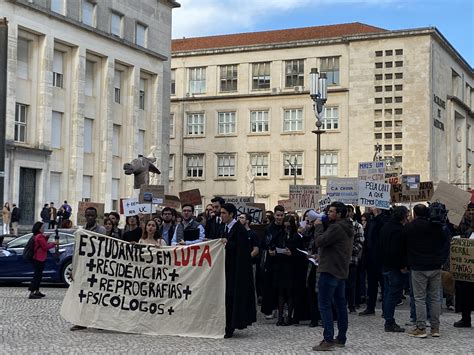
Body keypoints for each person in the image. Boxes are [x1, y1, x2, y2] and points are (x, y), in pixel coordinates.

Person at [312, 202, 354, 351]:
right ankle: (341, 337)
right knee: (340, 305)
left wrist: (317, 227)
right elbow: (334, 247)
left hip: (330, 270)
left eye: (332, 212)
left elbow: (320, 241)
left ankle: (328, 339)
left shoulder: (336, 227)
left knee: (324, 304)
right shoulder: (347, 226)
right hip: (340, 270)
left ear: (340, 214)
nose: (328, 214)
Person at [404, 204, 446, 338]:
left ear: (414, 213)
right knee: (435, 298)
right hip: (435, 265)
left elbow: (404, 244)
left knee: (419, 298)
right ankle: (435, 328)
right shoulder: (436, 226)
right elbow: (444, 241)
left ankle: (421, 327)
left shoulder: (410, 227)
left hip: (418, 266)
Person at [221, 203, 256, 338]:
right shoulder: (227, 228)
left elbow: (242, 250)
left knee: (232, 298)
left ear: (231, 214)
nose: (222, 216)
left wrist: (228, 243)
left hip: (236, 271)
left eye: (224, 213)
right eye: (221, 213)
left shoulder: (239, 229)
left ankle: (231, 326)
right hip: (228, 270)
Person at [379, 206, 409, 332]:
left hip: (385, 265)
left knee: (387, 293)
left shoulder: (386, 227)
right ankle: (389, 321)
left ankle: (387, 317)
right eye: (406, 215)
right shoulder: (398, 230)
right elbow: (396, 251)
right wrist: (402, 266)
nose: (407, 218)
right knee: (392, 295)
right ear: (402, 216)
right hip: (394, 268)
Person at [359, 208, 389, 316]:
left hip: (380, 258)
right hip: (370, 258)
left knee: (384, 285)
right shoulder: (371, 221)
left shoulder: (384, 219)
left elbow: (382, 226)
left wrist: (377, 214)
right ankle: (370, 307)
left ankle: (386, 309)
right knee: (371, 285)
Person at [261, 205, 285, 319]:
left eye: (281, 215)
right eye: (278, 215)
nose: (279, 217)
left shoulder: (286, 227)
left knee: (281, 286)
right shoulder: (269, 228)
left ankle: (281, 309)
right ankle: (270, 309)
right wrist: (270, 248)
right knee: (270, 285)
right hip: (271, 260)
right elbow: (265, 242)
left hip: (284, 260)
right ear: (274, 215)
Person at [454, 202, 474, 328]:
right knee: (465, 294)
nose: (471, 213)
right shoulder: (461, 225)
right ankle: (465, 319)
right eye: (469, 211)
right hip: (466, 267)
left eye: (473, 211)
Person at [28, 221, 59, 299]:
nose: (44, 228)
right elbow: (45, 247)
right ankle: (32, 292)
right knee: (37, 276)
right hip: (38, 258)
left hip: (39, 258)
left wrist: (47, 237)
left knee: (39, 275)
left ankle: (37, 291)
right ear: (39, 228)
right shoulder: (39, 236)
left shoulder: (39, 236)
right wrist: (54, 243)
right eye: (42, 227)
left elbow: (42, 244)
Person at [346, 205, 364, 314]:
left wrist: (349, 249)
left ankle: (352, 305)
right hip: (339, 260)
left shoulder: (357, 226)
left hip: (351, 259)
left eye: (349, 211)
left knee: (351, 284)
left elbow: (360, 242)